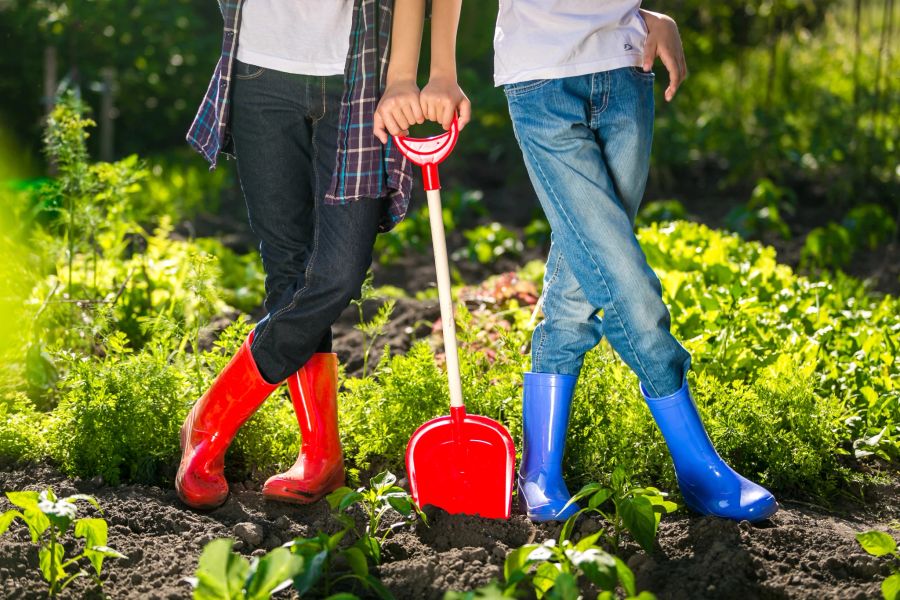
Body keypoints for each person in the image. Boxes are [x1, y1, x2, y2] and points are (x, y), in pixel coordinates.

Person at [177, 0, 469, 510]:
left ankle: (213, 416)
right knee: (288, 274)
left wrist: (432, 71)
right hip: (258, 71)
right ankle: (321, 454)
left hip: (355, 80)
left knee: (337, 272)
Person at [493, 3, 779, 522]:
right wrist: (437, 69)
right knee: (625, 282)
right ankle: (698, 464)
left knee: (579, 284)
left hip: (626, 71)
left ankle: (540, 469)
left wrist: (651, 15)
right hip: (541, 80)